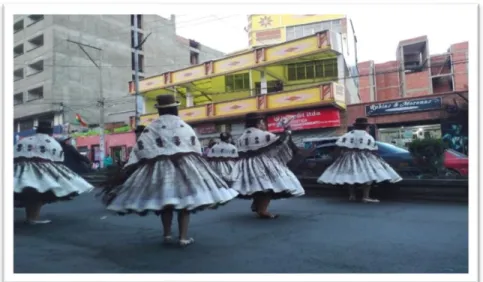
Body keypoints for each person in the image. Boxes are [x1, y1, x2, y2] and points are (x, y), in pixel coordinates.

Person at [99, 94, 238, 246]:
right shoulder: (183, 125)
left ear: (159, 110)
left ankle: (167, 234)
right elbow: (195, 148)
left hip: (159, 169)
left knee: (166, 202)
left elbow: (140, 149)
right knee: (185, 203)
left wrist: (132, 166)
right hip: (186, 168)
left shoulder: (152, 127)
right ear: (175, 108)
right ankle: (183, 237)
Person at [14, 121, 94, 224]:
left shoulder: (25, 140)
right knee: (38, 193)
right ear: (50, 132)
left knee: (23, 192)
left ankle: (29, 217)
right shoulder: (52, 142)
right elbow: (57, 158)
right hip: (42, 171)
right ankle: (33, 217)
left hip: (20, 170)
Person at [231, 112, 305, 219]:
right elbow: (280, 143)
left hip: (245, 165)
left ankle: (259, 207)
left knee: (257, 187)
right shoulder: (264, 135)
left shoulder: (240, 138)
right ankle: (263, 210)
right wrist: (287, 132)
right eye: (262, 122)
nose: (264, 125)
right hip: (262, 164)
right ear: (259, 122)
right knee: (267, 187)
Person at [317, 117, 402, 203]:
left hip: (348, 157)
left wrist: (336, 158)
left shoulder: (347, 135)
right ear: (365, 126)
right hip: (365, 157)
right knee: (368, 176)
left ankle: (352, 195)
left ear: (355, 126)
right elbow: (373, 150)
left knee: (350, 175)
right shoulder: (368, 136)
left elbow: (338, 147)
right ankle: (365, 196)